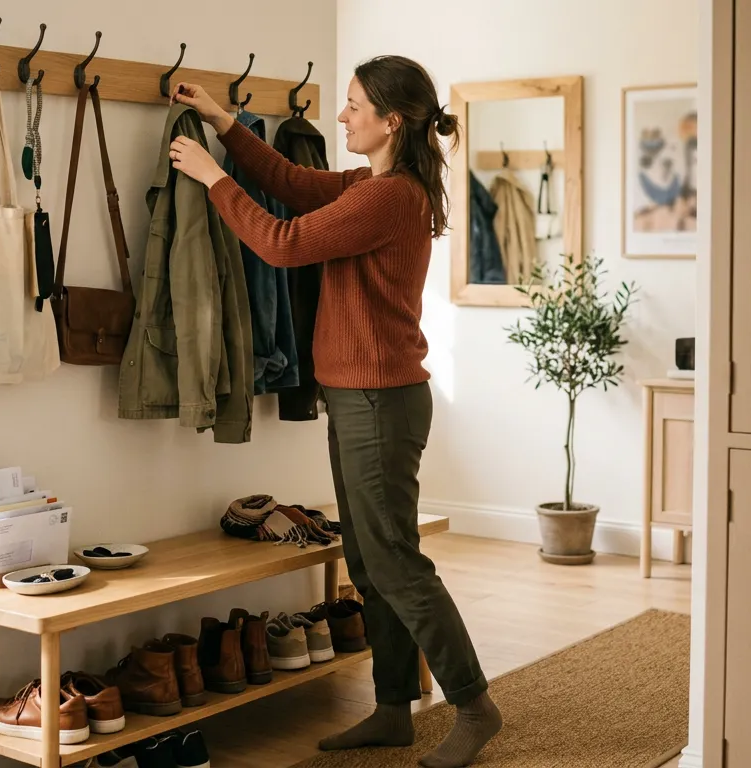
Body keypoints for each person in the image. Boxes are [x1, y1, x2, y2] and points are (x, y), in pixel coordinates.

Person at [168, 56, 502, 768]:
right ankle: (391, 709)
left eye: (353, 107)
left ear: (392, 121)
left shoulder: (389, 197)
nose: (341, 117)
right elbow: (292, 184)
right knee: (368, 559)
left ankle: (474, 705)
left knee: (396, 563)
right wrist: (226, 122)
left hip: (379, 401)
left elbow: (281, 243)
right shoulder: (372, 183)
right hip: (360, 395)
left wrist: (212, 176)